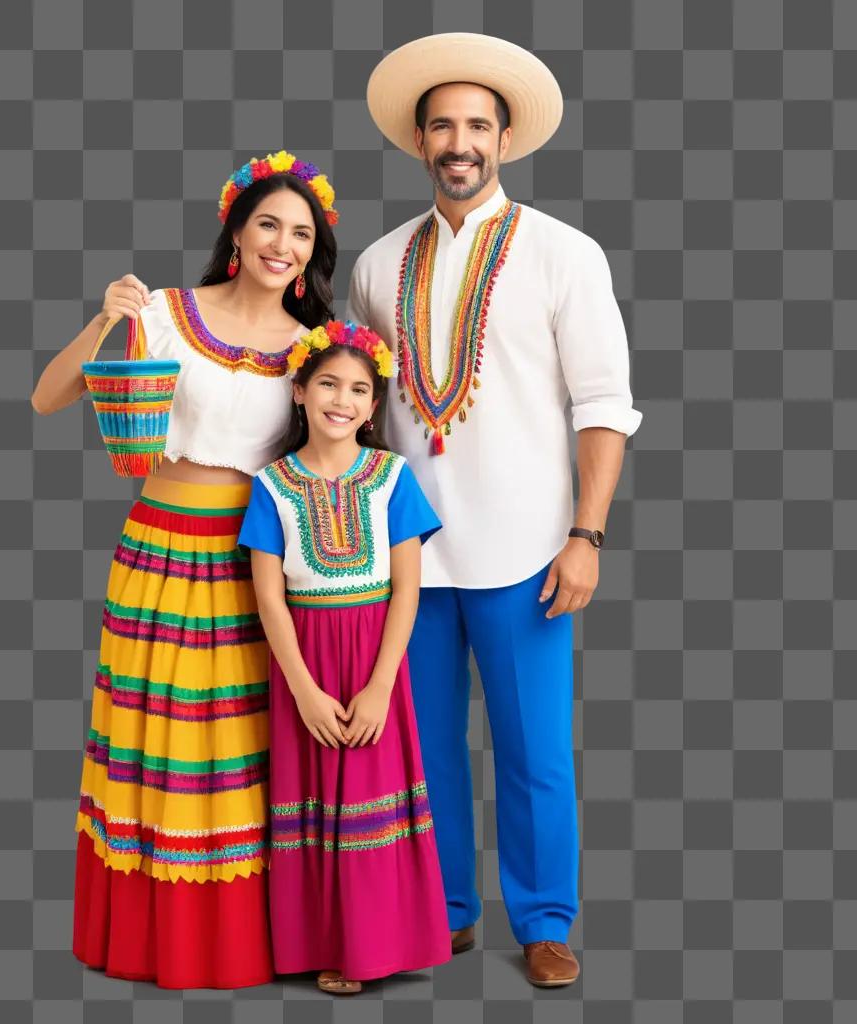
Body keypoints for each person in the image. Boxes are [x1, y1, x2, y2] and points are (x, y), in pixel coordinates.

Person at [347, 34, 644, 987]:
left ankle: (546, 921)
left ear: (505, 139)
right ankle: (447, 913)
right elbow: (356, 406)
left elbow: (603, 406)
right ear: (420, 141)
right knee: (422, 753)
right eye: (443, 124)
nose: (460, 141)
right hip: (407, 559)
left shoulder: (566, 253)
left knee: (534, 753)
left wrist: (587, 536)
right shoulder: (378, 263)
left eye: (478, 124)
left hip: (528, 550)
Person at [30, 151, 340, 989]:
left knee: (243, 745)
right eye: (270, 223)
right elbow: (48, 397)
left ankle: (250, 940)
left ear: (314, 253)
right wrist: (103, 321)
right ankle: (147, 937)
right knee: (155, 737)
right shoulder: (165, 312)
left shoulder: (317, 348)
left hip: (258, 561)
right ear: (236, 230)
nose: (284, 244)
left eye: (302, 234)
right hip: (160, 551)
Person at [238, 321, 451, 995]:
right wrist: (301, 688)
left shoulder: (391, 477)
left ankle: (379, 945)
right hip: (305, 662)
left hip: (373, 664)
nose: (344, 399)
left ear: (373, 403)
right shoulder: (272, 485)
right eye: (328, 383)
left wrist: (382, 685)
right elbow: (269, 598)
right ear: (299, 393)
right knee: (312, 804)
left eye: (360, 389)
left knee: (371, 800)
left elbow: (408, 587)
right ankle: (326, 945)